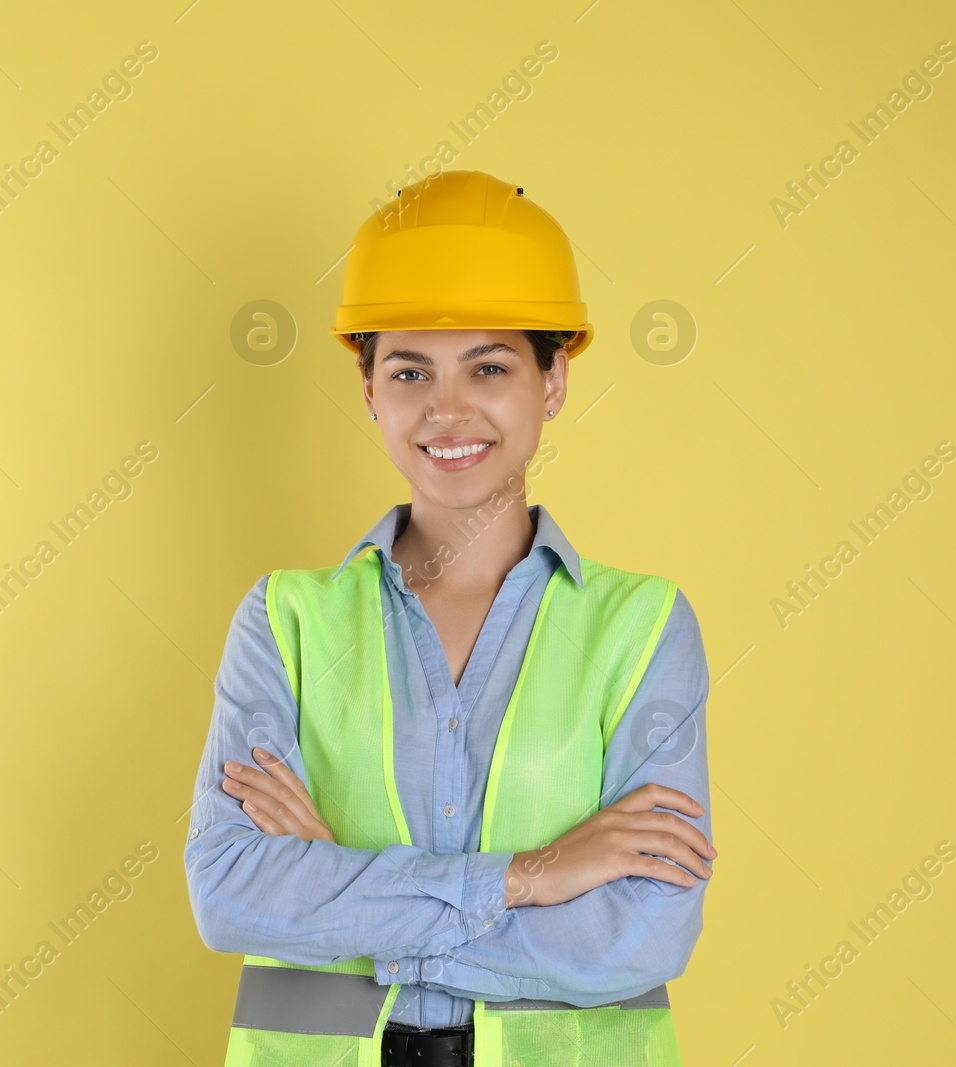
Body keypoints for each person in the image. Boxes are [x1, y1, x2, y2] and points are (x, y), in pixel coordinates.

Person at [184, 170, 715, 1067]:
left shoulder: (643, 627)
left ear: (553, 381)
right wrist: (528, 878)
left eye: (491, 366)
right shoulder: (284, 621)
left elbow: (643, 932)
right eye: (409, 370)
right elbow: (231, 889)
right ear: (368, 391)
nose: (448, 409)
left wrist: (344, 889)